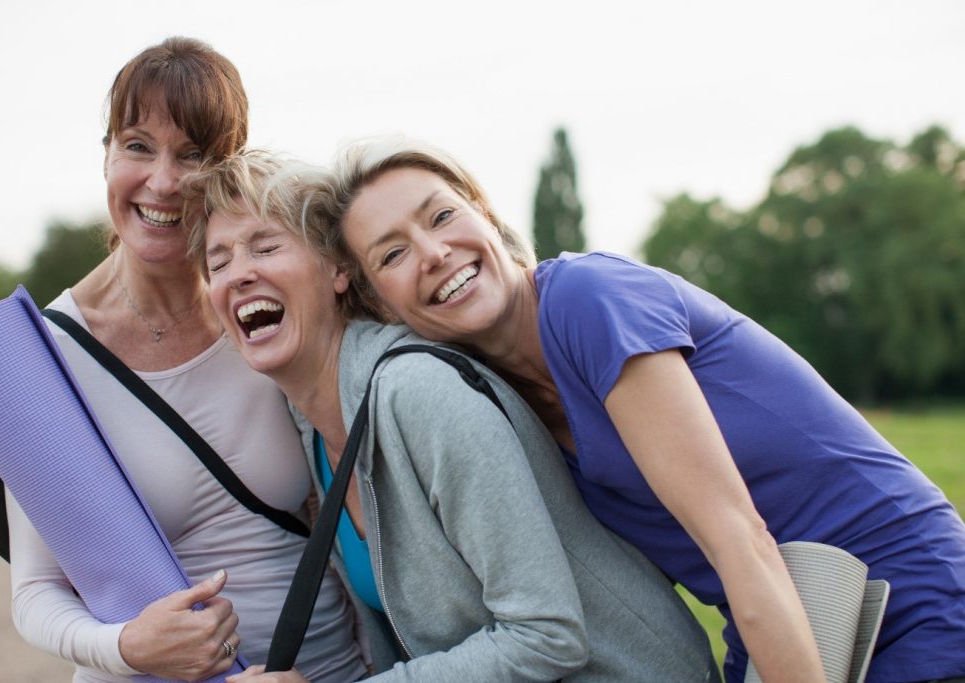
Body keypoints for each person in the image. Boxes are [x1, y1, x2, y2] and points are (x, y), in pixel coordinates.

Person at [319, 136, 965, 683]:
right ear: (381, 306)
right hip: (794, 632)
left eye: (440, 216)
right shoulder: (492, 401)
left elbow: (741, 539)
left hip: (912, 603)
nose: (433, 253)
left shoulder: (589, 300)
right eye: (393, 254)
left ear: (486, 215)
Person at [180, 150, 719, 682]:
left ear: (338, 270)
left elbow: (547, 635)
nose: (238, 276)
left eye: (265, 247)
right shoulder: (312, 436)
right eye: (218, 262)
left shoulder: (418, 393)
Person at [7, 38, 366, 683]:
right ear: (108, 156)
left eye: (195, 156)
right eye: (138, 145)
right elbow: (34, 593)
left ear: (228, 170)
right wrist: (126, 647)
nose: (164, 181)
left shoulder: (266, 309)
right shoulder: (41, 354)